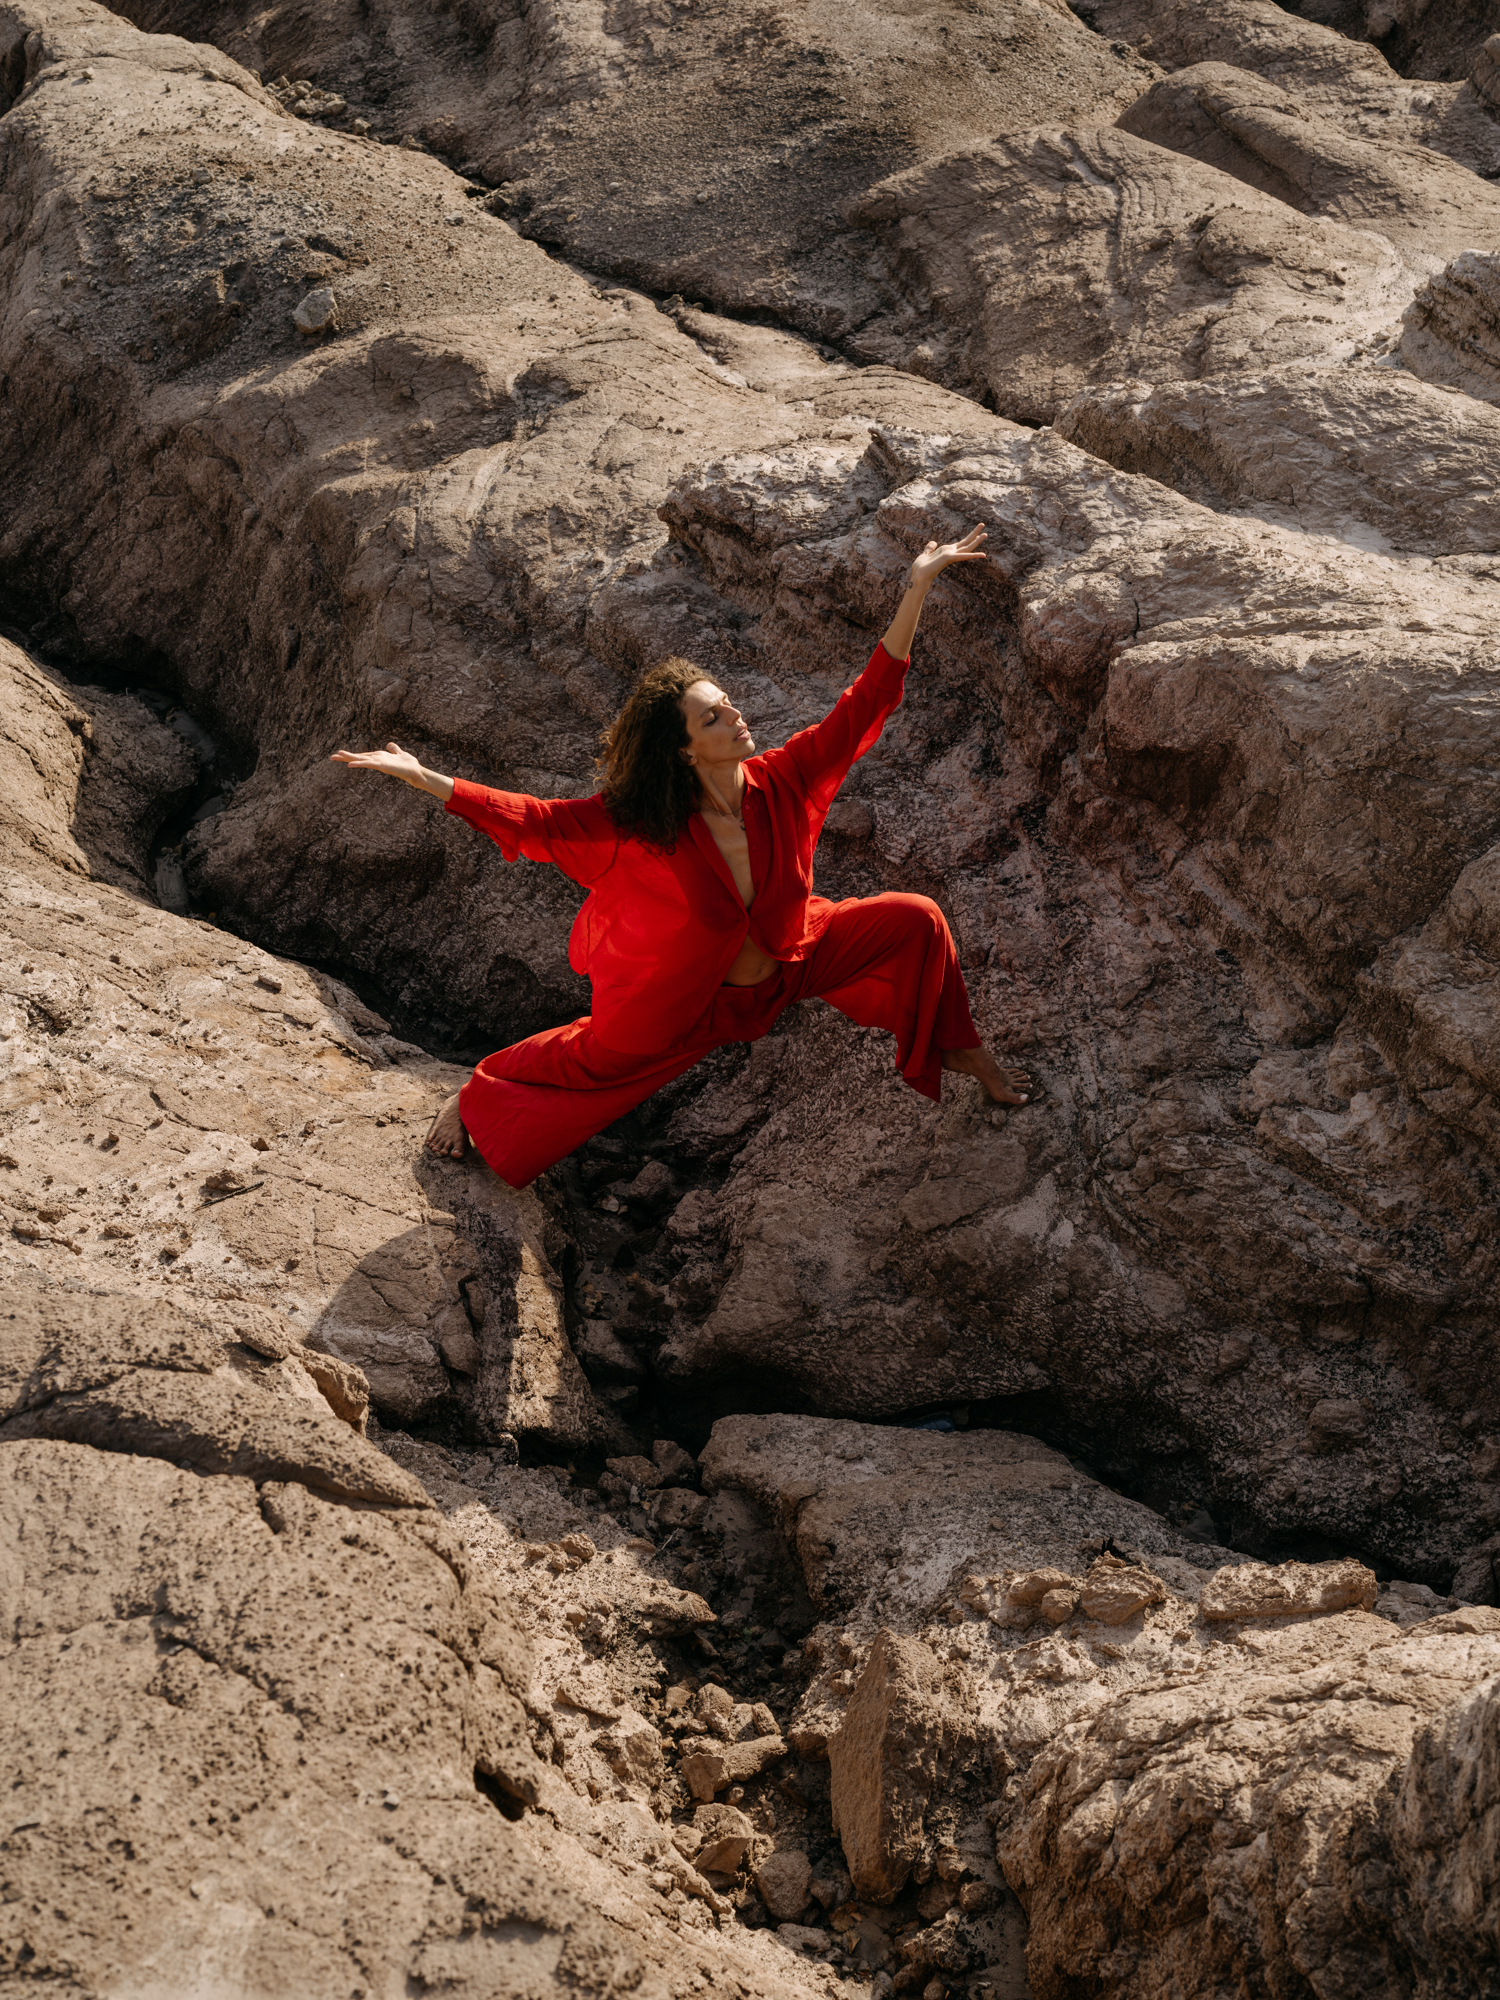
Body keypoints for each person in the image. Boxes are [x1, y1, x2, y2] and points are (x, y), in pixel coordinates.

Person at [331, 525, 1030, 1185]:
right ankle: (475, 1092)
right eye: (712, 717)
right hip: (696, 1005)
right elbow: (537, 820)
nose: (735, 716)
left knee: (915, 917)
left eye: (726, 703)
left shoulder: (785, 778)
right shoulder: (648, 822)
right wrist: (426, 778)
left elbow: (866, 702)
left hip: (791, 963)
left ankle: (964, 1050)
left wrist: (917, 586)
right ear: (685, 751)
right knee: (593, 1057)